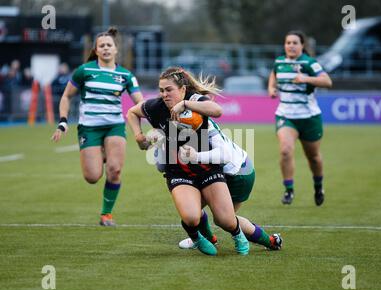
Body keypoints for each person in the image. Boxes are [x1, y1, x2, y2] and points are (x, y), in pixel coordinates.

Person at [126, 66, 249, 256]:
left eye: (169, 90)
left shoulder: (193, 99)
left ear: (182, 89)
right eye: (161, 90)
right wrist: (138, 135)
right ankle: (198, 238)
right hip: (179, 170)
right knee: (191, 217)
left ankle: (237, 234)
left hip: (207, 167)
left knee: (226, 220)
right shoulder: (155, 106)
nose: (164, 94)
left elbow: (216, 110)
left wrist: (185, 104)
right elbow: (132, 113)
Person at [51, 27, 144, 226]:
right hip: (89, 127)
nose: (106, 48)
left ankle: (106, 214)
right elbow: (66, 96)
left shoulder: (125, 75)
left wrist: (154, 121)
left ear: (116, 49)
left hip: (115, 126)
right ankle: (100, 152)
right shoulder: (84, 71)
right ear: (96, 50)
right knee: (92, 177)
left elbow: (140, 103)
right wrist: (63, 121)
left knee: (115, 170)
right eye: (101, 46)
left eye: (109, 45)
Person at [175, 118, 283, 252]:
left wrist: (195, 156)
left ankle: (271, 241)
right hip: (235, 168)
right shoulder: (194, 116)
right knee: (193, 208)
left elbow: (223, 155)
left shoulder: (198, 120)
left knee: (224, 219)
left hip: (238, 173)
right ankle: (208, 239)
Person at [268, 30, 332, 206]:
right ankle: (289, 190)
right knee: (285, 150)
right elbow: (273, 75)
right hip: (286, 115)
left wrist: (306, 78)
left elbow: (327, 82)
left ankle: (318, 186)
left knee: (313, 156)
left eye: (295, 43)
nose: (291, 46)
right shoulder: (279, 62)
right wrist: (271, 88)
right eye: (288, 43)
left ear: (302, 46)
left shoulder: (310, 63)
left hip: (309, 117)